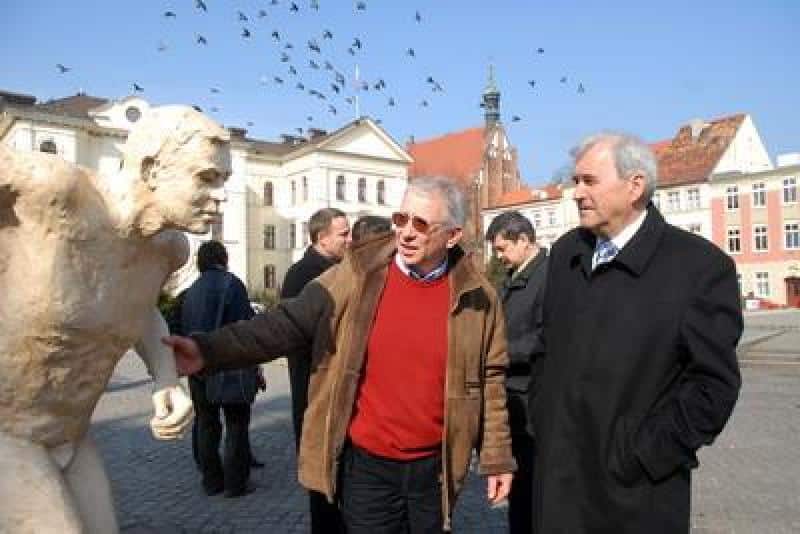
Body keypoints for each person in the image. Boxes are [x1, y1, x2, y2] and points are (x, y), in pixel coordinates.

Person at [165, 176, 516, 533]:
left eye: (421, 224)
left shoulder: (479, 298)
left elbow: (490, 380)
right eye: (401, 219)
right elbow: (286, 322)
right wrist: (207, 350)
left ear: (452, 236)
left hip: (435, 471)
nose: (406, 233)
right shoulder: (358, 273)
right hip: (367, 469)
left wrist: (498, 457)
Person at [0, 105, 227, 533]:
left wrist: (165, 378)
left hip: (68, 435)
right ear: (151, 169)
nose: (221, 195)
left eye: (223, 180)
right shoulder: (52, 192)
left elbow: (138, 309)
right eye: (207, 178)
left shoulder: (168, 249)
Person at [531, 133, 743, 533]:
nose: (577, 193)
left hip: (636, 498)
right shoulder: (565, 253)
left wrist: (644, 455)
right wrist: (543, 421)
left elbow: (713, 386)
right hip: (558, 485)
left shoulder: (699, 267)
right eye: (575, 181)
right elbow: (546, 350)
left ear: (635, 186)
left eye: (589, 181)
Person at [280, 207, 350, 533]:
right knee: (321, 478)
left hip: (332, 389)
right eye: (343, 234)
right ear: (322, 238)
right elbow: (294, 335)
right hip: (314, 389)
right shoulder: (303, 275)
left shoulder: (337, 268)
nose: (349, 240)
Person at [180, 240, 262, 498]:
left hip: (197, 367)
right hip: (229, 364)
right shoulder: (232, 284)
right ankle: (236, 483)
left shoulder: (190, 291)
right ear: (223, 258)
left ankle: (211, 481)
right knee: (236, 424)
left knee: (206, 423)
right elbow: (245, 327)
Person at [485, 211, 548, 534]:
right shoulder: (516, 275)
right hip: (514, 399)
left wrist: (499, 353)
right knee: (520, 496)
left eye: (502, 248)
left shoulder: (548, 276)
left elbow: (546, 337)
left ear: (523, 240)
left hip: (532, 402)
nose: (499, 257)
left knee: (531, 493)